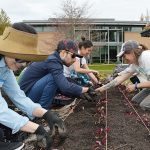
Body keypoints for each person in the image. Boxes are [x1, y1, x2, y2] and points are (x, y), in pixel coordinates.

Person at [0, 22, 66, 150]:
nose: (24, 65)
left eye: (27, 60)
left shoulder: (5, 69)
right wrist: (37, 129)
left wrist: (47, 114)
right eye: (20, 59)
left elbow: (19, 97)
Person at [18, 39, 95, 109]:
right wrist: (86, 89)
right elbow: (65, 87)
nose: (74, 60)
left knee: (59, 80)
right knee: (53, 79)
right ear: (63, 52)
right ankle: (42, 111)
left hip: (27, 94)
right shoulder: (53, 61)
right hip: (26, 98)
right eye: (73, 56)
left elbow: (64, 83)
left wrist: (79, 92)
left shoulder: (54, 59)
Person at [96, 40, 150, 111]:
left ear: (132, 52)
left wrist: (136, 86)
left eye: (124, 56)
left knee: (144, 105)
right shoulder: (135, 64)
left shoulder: (146, 57)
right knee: (135, 101)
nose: (124, 59)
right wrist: (103, 88)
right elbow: (121, 78)